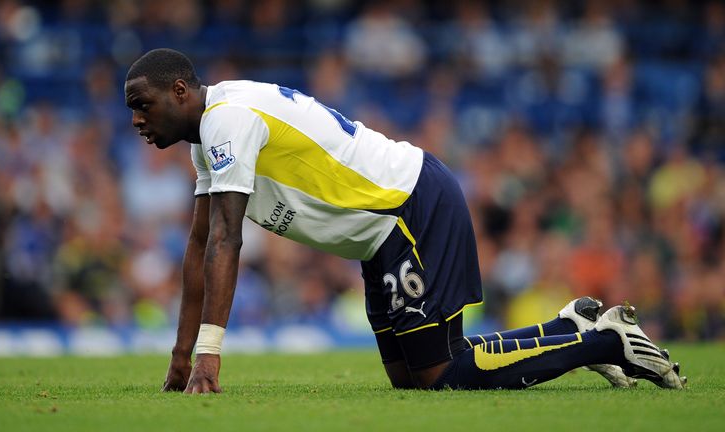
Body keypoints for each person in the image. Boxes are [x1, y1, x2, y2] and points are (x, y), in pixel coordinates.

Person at [123, 48, 686, 394]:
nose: (137, 120)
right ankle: (573, 327)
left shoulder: (227, 119)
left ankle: (602, 341)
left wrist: (208, 355)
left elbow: (226, 238)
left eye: (143, 104)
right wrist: (180, 357)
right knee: (411, 379)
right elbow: (199, 245)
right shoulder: (210, 136)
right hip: (380, 235)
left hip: (409, 206)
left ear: (180, 91)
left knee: (441, 374)